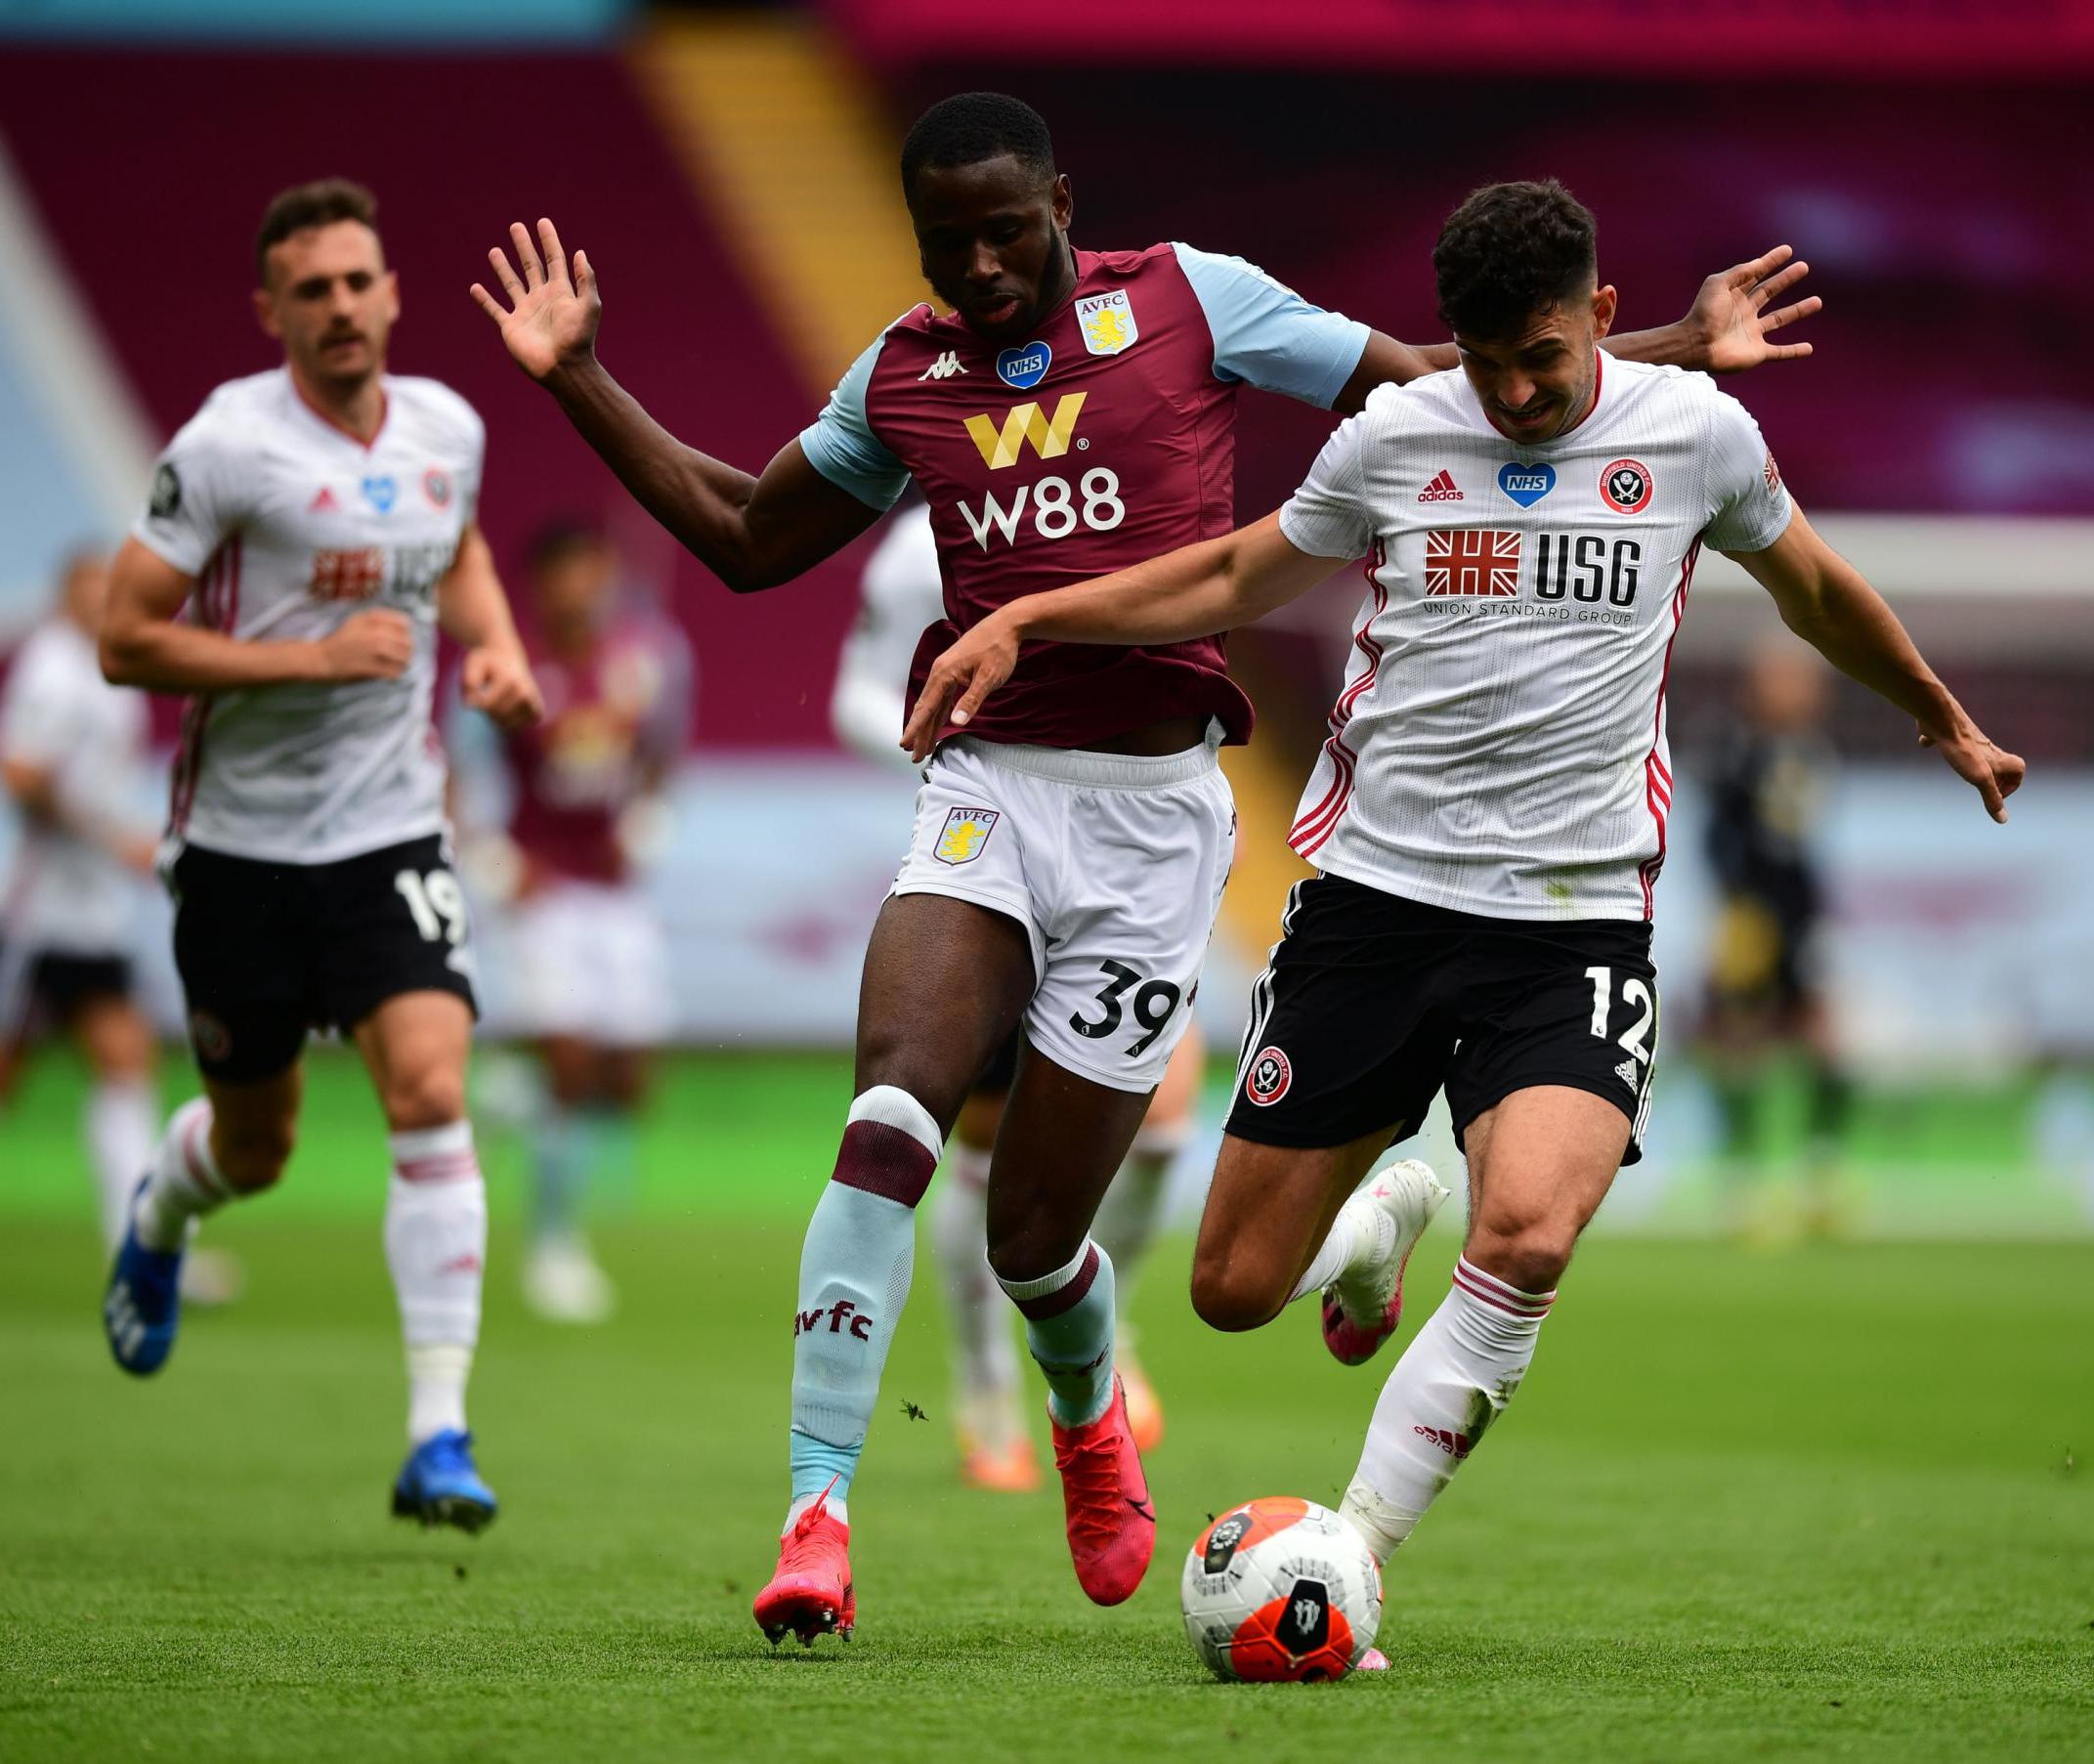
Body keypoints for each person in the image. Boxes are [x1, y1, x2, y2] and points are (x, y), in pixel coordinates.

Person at [471, 92, 1816, 1639]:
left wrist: (1665, 348)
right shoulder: (901, 377)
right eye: (942, 241)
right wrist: (577, 377)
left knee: (1037, 1235)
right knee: (888, 1120)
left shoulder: (1191, 295)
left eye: (1001, 228)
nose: (974, 266)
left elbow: (1429, 385)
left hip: (1156, 818)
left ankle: (1087, 1417)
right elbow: (743, 533)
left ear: (1060, 199)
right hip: (983, 793)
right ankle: (815, 1517)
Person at [905, 178, 2024, 1648]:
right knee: (1233, 1291)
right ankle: (1375, 1221)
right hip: (1371, 904)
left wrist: (1941, 715)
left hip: (1569, 928)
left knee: (1530, 1237)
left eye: (1540, 361)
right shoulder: (1391, 436)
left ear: (1602, 320)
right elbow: (1243, 568)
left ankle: (1351, 1556)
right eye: (1482, 361)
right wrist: (1029, 613)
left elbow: (1812, 591)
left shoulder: (1695, 437)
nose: (1509, 391)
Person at [97, 179, 542, 1534]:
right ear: (272, 312)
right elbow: (126, 636)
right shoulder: (228, 447)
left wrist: (498, 643)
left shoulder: (445, 428)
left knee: (426, 1085)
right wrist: (310, 658)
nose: (341, 307)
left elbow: (452, 547)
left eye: (360, 281)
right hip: (236, 849)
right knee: (258, 1142)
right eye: (313, 290)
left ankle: (438, 1432)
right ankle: (164, 1215)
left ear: (392, 291)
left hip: (390, 829)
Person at [835, 507, 1196, 1490]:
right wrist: (951, 729)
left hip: (1135, 855)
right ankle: (986, 1384)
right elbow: (855, 697)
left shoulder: (1126, 500)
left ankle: (1103, 1327)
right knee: (984, 1153)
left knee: (1162, 1126)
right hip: (997, 866)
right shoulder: (926, 542)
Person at [457, 523, 690, 1323]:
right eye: (566, 576)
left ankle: (511, 1095)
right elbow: (458, 773)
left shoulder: (638, 663)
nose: (582, 589)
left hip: (618, 896)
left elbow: (662, 750)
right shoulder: (511, 669)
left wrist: (651, 812)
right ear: (541, 586)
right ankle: (554, 1246)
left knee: (626, 1083)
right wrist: (491, 859)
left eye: (594, 572)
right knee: (570, 1063)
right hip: (546, 891)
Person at [0, 553, 184, 1275]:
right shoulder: (54, 668)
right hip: (41, 912)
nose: (103, 599)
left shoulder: (107, 667)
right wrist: (111, 842)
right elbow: (23, 773)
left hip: (88, 914)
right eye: (90, 587)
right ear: (63, 594)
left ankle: (137, 1249)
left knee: (125, 1059)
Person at [1696, 642, 1852, 1240]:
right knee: (1739, 1043)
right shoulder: (1733, 747)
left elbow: (1803, 842)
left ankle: (1821, 1174)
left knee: (1827, 1043)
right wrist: (1736, 903)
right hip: (1748, 916)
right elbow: (1716, 835)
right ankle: (1741, 1181)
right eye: (1785, 680)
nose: (1799, 693)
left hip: (1801, 914)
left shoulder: (1814, 751)